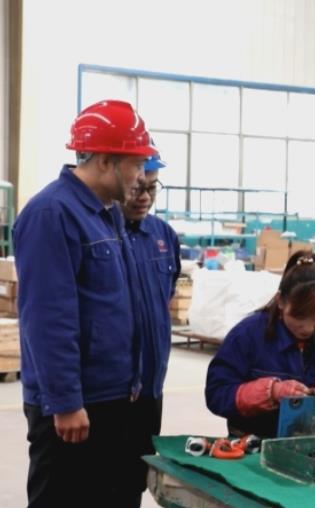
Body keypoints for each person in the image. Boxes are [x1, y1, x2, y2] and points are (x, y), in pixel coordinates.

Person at [14, 100, 155, 507]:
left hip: (112, 396)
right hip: (74, 407)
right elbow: (47, 318)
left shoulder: (107, 214)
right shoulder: (51, 214)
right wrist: (65, 402)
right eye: (136, 164)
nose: (142, 177)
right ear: (106, 161)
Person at [206, 251, 315, 437]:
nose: (308, 328)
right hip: (257, 440)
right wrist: (271, 392)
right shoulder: (247, 335)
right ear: (281, 301)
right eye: (299, 317)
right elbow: (217, 393)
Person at [121, 145, 181, 503]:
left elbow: (166, 296)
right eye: (137, 187)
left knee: (135, 474)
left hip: (151, 384)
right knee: (99, 479)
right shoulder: (103, 233)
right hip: (112, 387)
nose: (144, 197)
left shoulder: (163, 236)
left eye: (152, 187)